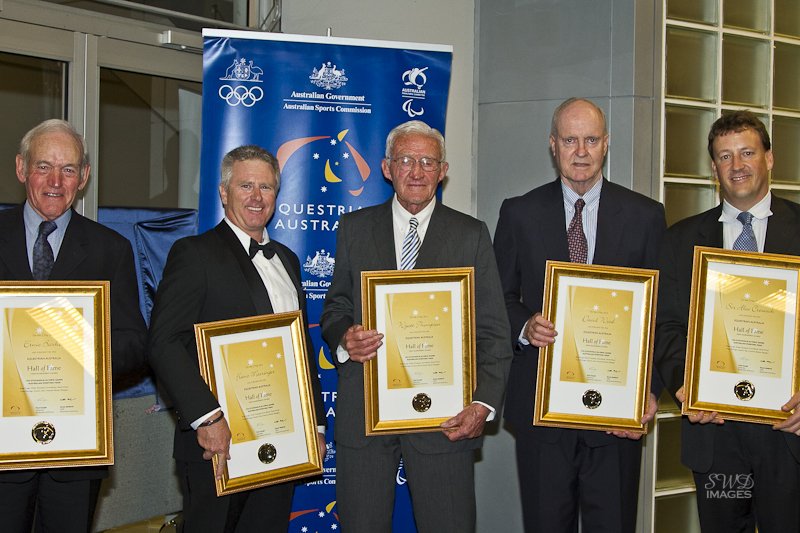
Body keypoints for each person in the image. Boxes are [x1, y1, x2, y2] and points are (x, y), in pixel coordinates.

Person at [319, 120, 511, 532]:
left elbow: (494, 331)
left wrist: (484, 403)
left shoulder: (470, 235)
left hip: (446, 420)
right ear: (387, 168)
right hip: (365, 416)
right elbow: (336, 306)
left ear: (443, 171)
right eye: (406, 160)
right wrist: (344, 338)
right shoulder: (354, 229)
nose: (417, 171)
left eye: (428, 161)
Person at [493, 97, 666, 532]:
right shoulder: (519, 212)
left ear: (606, 144)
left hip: (616, 415)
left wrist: (650, 390)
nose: (581, 151)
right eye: (570, 140)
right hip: (540, 411)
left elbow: (662, 314)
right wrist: (526, 326)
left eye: (591, 140)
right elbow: (497, 298)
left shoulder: (647, 216)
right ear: (553, 145)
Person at [147, 145, 326, 533]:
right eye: (246, 186)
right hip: (218, 443)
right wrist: (206, 417)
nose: (257, 197)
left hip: (282, 440)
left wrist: (315, 426)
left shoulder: (288, 261)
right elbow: (163, 341)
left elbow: (301, 351)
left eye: (266, 187)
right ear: (224, 192)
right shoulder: (194, 253)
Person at [655, 110, 800, 532]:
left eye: (747, 153)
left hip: (787, 436)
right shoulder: (681, 239)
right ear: (713, 166)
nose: (737, 166)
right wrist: (688, 385)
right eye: (724, 156)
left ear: (769, 159)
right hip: (717, 439)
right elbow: (667, 326)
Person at [0, 119, 147, 532]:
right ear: (20, 168)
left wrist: (79, 348)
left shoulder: (111, 249)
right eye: (43, 166)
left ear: (83, 177)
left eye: (68, 170)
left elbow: (135, 344)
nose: (55, 181)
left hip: (76, 448)